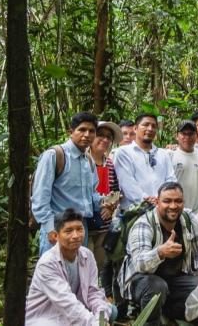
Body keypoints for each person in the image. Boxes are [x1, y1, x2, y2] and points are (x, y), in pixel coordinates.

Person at [118, 182, 198, 325]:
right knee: (157, 286)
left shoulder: (188, 218)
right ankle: (148, 319)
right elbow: (139, 264)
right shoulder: (143, 224)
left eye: (178, 201)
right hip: (142, 281)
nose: (173, 206)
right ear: (157, 202)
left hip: (174, 279)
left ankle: (167, 312)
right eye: (167, 201)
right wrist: (160, 252)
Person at [26, 208, 117, 325]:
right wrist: (93, 323)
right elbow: (66, 303)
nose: (75, 235)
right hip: (48, 317)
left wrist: (101, 318)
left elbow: (93, 293)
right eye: (68, 231)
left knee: (111, 311)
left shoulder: (87, 255)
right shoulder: (47, 263)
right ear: (55, 235)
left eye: (79, 229)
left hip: (76, 310)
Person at [31, 112, 104, 255]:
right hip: (58, 228)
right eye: (82, 129)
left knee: (77, 275)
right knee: (53, 274)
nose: (87, 134)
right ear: (71, 132)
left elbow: (91, 194)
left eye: (91, 131)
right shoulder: (55, 155)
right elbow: (40, 197)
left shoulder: (89, 160)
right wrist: (50, 228)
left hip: (82, 228)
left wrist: (103, 202)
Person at [113, 113, 176, 211]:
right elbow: (128, 184)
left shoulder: (163, 154)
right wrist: (148, 201)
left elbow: (171, 180)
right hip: (134, 213)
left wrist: (163, 200)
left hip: (162, 212)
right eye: (145, 125)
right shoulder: (124, 153)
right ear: (135, 128)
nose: (150, 129)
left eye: (154, 126)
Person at [86, 121, 122, 275]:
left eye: (109, 137)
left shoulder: (109, 163)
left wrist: (110, 206)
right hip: (84, 224)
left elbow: (116, 191)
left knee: (99, 267)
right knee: (83, 267)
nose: (105, 140)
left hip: (104, 225)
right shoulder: (82, 160)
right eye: (101, 135)